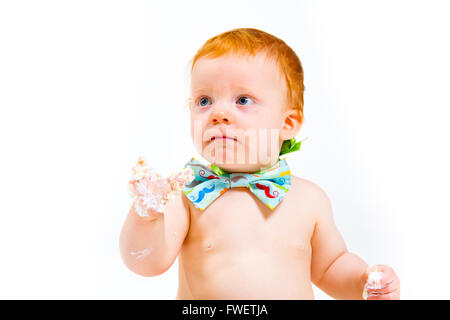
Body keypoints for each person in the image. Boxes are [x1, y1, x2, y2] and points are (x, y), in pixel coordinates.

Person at [120, 28, 400, 300]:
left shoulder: (308, 199)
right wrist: (146, 217)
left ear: (288, 124)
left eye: (242, 100)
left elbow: (331, 266)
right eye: (203, 100)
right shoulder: (187, 195)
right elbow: (146, 262)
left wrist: (362, 283)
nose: (218, 113)